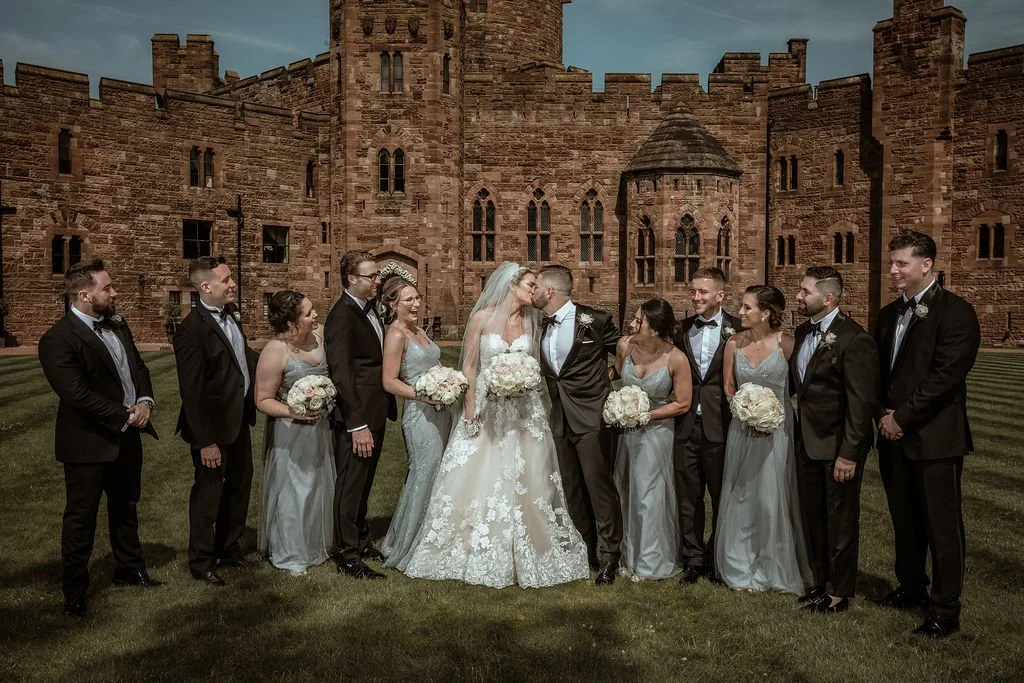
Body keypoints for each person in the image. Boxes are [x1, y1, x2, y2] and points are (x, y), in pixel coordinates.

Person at [404, 262, 589, 588]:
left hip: (524, 411)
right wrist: (470, 407)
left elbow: (538, 365)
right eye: (530, 284)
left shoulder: (532, 320)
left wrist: (524, 382)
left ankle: (532, 545)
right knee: (478, 476)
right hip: (487, 409)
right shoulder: (482, 318)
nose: (534, 290)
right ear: (511, 286)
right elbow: (470, 366)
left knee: (530, 477)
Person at [39, 259, 163, 616]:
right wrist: (126, 415)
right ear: (84, 295)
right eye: (107, 288)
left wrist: (145, 401)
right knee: (82, 517)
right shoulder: (57, 339)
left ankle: (130, 570)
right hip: (88, 442)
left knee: (126, 506)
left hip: (128, 436)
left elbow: (137, 366)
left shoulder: (118, 324)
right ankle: (75, 590)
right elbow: (76, 394)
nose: (114, 292)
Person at [874, 230, 980, 638]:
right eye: (892, 263)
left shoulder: (956, 313)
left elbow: (944, 378)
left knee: (942, 527)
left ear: (926, 264)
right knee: (904, 520)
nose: (894, 270)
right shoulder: (888, 314)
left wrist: (902, 417)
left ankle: (946, 609)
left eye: (901, 263)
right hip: (892, 437)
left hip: (936, 439)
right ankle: (911, 586)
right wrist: (882, 415)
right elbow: (880, 373)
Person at [790, 267, 879, 613]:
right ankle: (819, 583)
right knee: (813, 518)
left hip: (838, 447)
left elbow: (860, 404)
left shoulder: (854, 340)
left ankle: (838, 594)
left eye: (805, 291)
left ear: (827, 298)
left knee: (840, 521)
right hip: (807, 443)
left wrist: (849, 453)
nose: (798, 296)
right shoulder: (802, 332)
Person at [532, 264, 623, 585]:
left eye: (536, 286)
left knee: (599, 488)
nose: (532, 291)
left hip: (592, 417)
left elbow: (625, 350)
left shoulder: (594, 320)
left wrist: (609, 376)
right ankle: (585, 551)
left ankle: (610, 556)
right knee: (571, 489)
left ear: (549, 291)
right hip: (559, 418)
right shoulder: (538, 323)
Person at [716, 285, 810, 595]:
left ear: (766, 313)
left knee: (771, 497)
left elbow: (800, 387)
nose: (740, 312)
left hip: (777, 432)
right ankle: (739, 564)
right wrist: (745, 411)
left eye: (747, 307)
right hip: (742, 430)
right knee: (742, 495)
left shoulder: (787, 345)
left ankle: (772, 565)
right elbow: (729, 387)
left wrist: (769, 413)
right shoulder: (733, 343)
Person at [173, 256, 257, 586]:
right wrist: (205, 440)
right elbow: (192, 392)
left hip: (238, 419)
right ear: (206, 287)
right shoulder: (191, 330)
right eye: (226, 280)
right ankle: (201, 561)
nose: (233, 283)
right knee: (208, 496)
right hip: (212, 427)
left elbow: (242, 360)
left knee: (239, 486)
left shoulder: (231, 314)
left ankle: (229, 549)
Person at [324, 251, 397, 580]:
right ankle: (347, 554)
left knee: (365, 482)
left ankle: (362, 539)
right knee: (350, 485)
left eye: (377, 274)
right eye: (372, 276)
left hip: (376, 410)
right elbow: (341, 374)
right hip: (357, 418)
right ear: (352, 279)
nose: (378, 280)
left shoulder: (370, 308)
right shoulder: (341, 317)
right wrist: (357, 424)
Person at [254, 291, 335, 576]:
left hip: (321, 428)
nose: (316, 316)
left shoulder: (319, 337)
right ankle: (290, 554)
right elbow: (262, 399)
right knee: (294, 491)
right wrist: (293, 411)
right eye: (308, 313)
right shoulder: (275, 351)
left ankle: (315, 546)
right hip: (291, 431)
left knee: (318, 487)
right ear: (291, 322)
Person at [613, 299, 692, 580]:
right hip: (627, 432)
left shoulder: (676, 358)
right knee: (626, 490)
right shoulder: (625, 346)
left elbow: (682, 403)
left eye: (639, 321)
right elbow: (616, 374)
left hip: (657, 433)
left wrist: (645, 415)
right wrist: (618, 406)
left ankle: (650, 562)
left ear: (656, 329)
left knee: (649, 494)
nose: (632, 324)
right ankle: (629, 556)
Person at [672, 267, 742, 585]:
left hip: (722, 426)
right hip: (686, 424)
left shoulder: (738, 330)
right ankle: (693, 559)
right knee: (688, 498)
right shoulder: (682, 329)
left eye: (702, 291)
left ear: (720, 295)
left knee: (721, 495)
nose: (695, 297)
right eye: (693, 291)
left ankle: (718, 556)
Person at [378, 278, 453, 571]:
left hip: (441, 409)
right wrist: (423, 394)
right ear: (392, 304)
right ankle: (408, 542)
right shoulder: (396, 335)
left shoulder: (419, 331)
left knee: (441, 471)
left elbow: (433, 365)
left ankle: (435, 537)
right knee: (425, 471)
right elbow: (389, 381)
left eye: (417, 298)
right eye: (408, 300)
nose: (416, 304)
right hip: (419, 414)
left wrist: (449, 383)